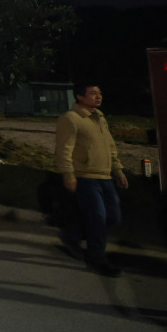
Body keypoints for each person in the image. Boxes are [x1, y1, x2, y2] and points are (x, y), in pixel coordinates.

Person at [55, 82, 127, 277]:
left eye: (100, 93)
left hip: (105, 176)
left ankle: (72, 236)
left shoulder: (100, 118)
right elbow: (64, 150)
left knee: (113, 217)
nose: (98, 96)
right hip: (85, 177)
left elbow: (110, 147)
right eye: (93, 93)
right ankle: (97, 258)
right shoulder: (71, 118)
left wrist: (118, 170)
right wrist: (68, 173)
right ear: (80, 96)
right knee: (97, 217)